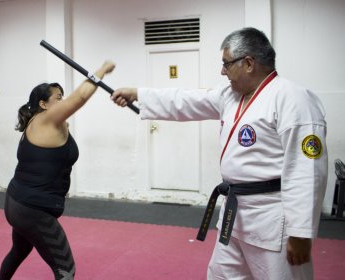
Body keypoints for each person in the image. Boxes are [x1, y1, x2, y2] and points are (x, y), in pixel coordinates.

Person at [111, 27, 328, 280]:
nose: (222, 71)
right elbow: (186, 100)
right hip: (235, 213)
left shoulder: (293, 99)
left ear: (248, 63)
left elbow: (308, 171)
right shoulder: (231, 95)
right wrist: (138, 94)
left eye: (226, 64)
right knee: (221, 275)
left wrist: (301, 233)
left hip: (272, 218)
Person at [0, 60, 115, 280]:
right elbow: (80, 97)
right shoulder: (45, 120)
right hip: (31, 209)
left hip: (18, 203)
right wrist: (102, 70)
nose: (63, 101)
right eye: (58, 98)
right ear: (43, 104)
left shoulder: (44, 123)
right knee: (66, 270)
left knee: (19, 251)